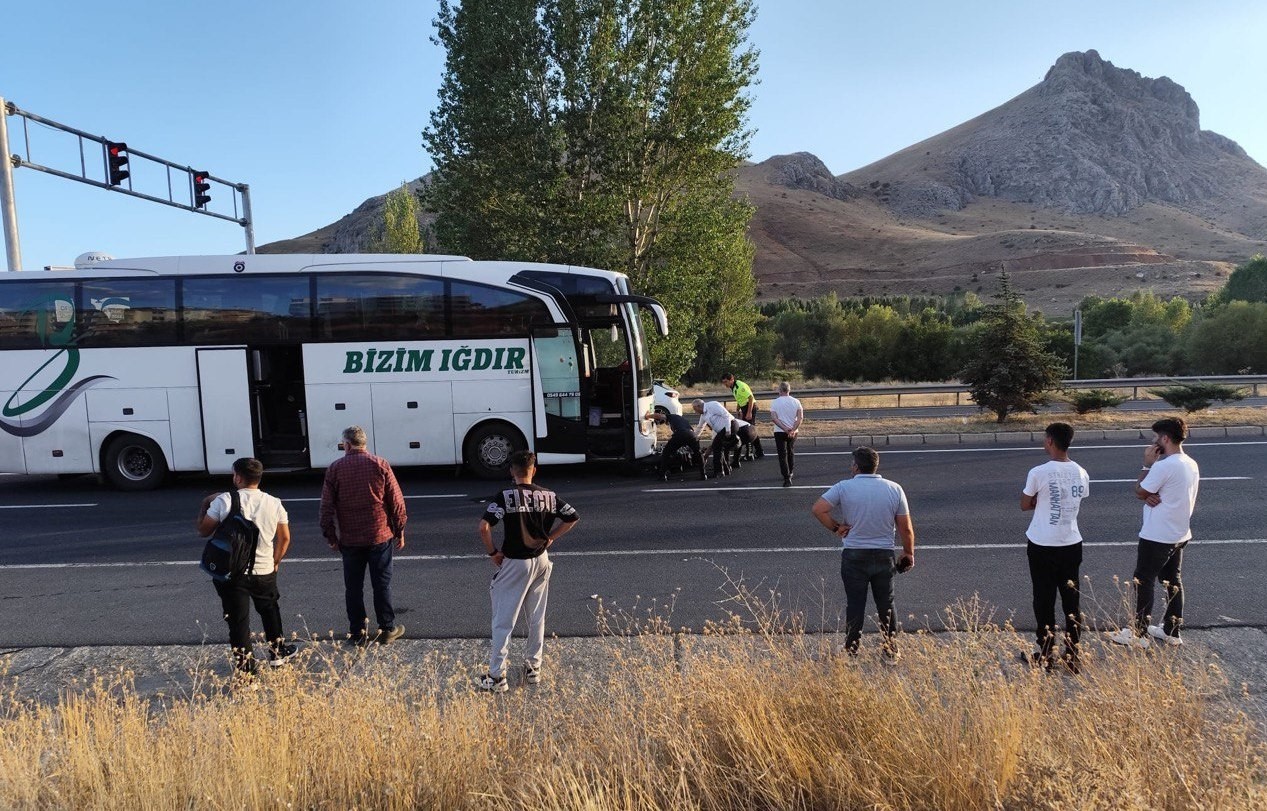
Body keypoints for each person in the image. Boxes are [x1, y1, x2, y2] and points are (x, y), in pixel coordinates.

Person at [478, 451, 579, 692]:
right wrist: (550, 538)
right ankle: (533, 669)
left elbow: (483, 527)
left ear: (512, 470)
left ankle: (496, 676)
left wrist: (493, 553)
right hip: (541, 559)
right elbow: (572, 517)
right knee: (536, 616)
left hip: (515, 561)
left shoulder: (505, 496)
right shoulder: (549, 495)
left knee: (503, 620)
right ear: (534, 469)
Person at [812, 446, 915, 659]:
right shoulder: (894, 488)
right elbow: (905, 528)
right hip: (883, 555)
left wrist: (836, 527)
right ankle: (890, 650)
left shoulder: (843, 487)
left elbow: (818, 509)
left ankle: (851, 650)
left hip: (854, 555)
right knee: (886, 604)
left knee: (856, 604)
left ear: (856, 466)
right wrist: (908, 552)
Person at [196, 457, 297, 676]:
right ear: (258, 478)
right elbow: (285, 538)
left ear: (238, 477)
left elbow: (204, 530)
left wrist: (206, 503)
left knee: (238, 622)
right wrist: (275, 561)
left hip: (232, 573)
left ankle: (247, 671)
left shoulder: (224, 500)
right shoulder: (274, 502)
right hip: (264, 570)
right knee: (270, 610)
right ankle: (277, 654)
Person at [1109, 417, 1200, 648]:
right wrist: (1148, 492)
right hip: (1180, 533)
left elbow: (1140, 490)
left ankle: (1138, 634)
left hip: (1158, 534)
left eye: (1155, 437)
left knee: (1143, 581)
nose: (1152, 442)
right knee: (1172, 582)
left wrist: (1147, 465)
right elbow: (1152, 492)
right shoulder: (1190, 462)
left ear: (1165, 439)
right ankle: (1171, 631)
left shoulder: (1163, 465)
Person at [319, 425, 408, 645]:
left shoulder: (335, 468)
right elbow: (396, 502)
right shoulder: (380, 464)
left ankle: (357, 633)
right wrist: (400, 530)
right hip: (380, 535)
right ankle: (387, 628)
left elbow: (326, 507)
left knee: (353, 587)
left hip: (350, 539)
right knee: (381, 584)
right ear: (364, 443)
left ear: (347, 444)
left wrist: (331, 536)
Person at [1020, 422, 1090, 671]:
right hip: (1071, 542)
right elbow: (1079, 498)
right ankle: (1073, 655)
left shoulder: (1039, 472)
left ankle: (1046, 652)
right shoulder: (1081, 471)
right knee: (1071, 600)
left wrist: (1041, 500)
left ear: (1050, 441)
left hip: (1042, 543)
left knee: (1044, 598)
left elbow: (1025, 503)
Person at [649, 409, 707, 481]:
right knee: (698, 454)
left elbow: (657, 415)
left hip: (681, 434)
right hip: (692, 434)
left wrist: (646, 416)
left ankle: (662, 475)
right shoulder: (679, 418)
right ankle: (703, 475)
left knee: (666, 453)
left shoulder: (669, 416)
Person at [769, 381, 804, 487]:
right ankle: (791, 471)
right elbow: (800, 418)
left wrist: (784, 428)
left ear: (780, 390)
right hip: (793, 431)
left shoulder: (775, 402)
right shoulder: (796, 402)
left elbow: (774, 418)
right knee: (790, 451)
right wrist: (792, 429)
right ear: (789, 390)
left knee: (782, 455)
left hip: (780, 431)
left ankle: (786, 477)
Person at [722, 373, 764, 460]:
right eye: (723, 382)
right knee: (750, 430)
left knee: (748, 431)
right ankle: (759, 451)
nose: (725, 384)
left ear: (731, 379)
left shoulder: (739, 386)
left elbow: (750, 398)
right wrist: (738, 409)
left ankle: (750, 453)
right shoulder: (733, 387)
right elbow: (740, 398)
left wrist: (749, 413)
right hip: (744, 407)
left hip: (750, 407)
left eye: (726, 382)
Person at [692, 399, 739, 476]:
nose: (695, 412)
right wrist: (694, 437)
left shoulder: (713, 405)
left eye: (695, 409)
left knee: (716, 447)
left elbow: (726, 415)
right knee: (719, 447)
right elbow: (700, 427)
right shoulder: (703, 415)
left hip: (730, 425)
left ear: (698, 406)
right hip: (721, 430)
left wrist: (728, 430)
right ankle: (725, 470)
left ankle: (719, 472)